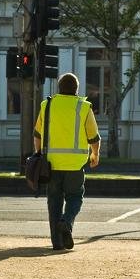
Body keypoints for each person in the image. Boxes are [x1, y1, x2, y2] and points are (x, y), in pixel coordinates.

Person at [33, 73, 101, 251]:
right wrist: (95, 154)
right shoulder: (84, 106)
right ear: (76, 89)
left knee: (54, 202)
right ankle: (66, 221)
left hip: (51, 164)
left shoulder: (46, 105)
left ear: (59, 88)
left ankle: (57, 242)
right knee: (75, 198)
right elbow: (94, 137)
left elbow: (37, 135)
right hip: (75, 165)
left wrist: (38, 154)